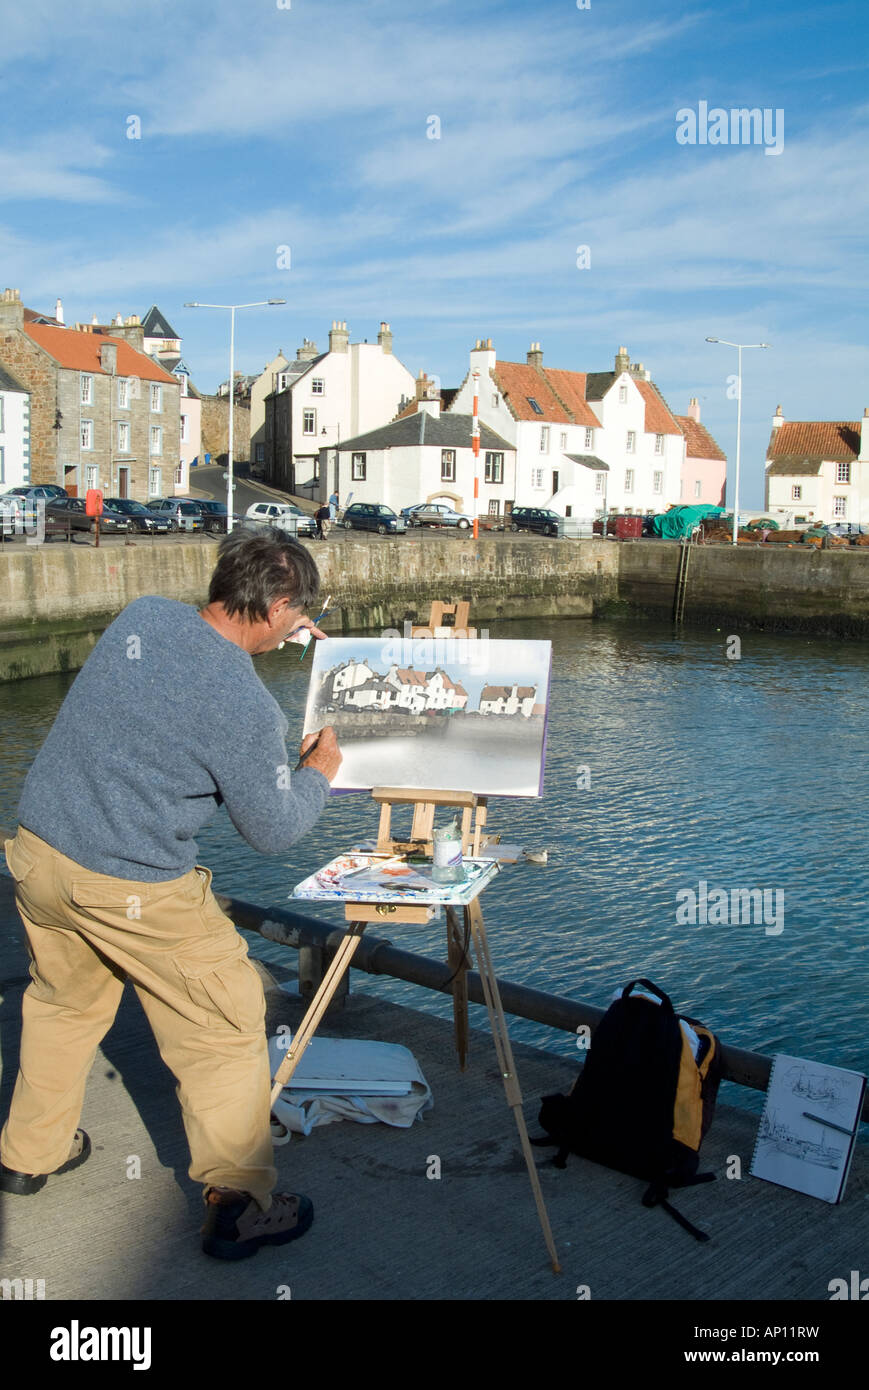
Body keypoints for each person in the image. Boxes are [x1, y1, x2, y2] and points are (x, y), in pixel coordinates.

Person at [0, 528, 342, 1260]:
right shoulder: (246, 708)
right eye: (296, 613)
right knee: (222, 1024)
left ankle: (30, 1155)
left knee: (63, 1003)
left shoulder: (142, 616)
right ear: (280, 605)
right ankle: (240, 1203)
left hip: (39, 855)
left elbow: (164, 704)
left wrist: (280, 631)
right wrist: (319, 771)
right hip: (129, 884)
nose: (297, 627)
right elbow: (274, 829)